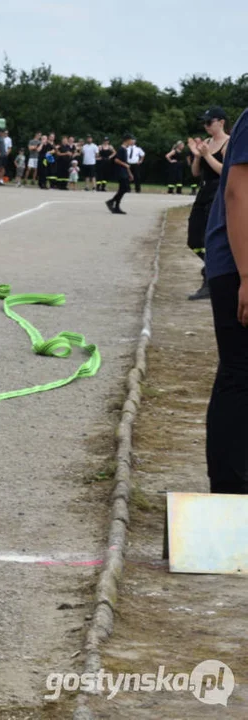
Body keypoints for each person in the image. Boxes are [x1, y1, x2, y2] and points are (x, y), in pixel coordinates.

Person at [201, 107, 248, 494]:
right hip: (238, 262)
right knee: (240, 370)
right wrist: (246, 275)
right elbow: (236, 192)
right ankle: (230, 490)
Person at [186, 107, 230, 300]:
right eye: (204, 123)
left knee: (209, 238)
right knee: (194, 239)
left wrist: (207, 155)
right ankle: (220, 267)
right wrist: (197, 155)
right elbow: (195, 173)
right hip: (203, 191)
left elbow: (225, 171)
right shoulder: (206, 143)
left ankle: (209, 282)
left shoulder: (228, 143)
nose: (206, 126)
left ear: (221, 122)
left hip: (218, 193)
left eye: (209, 122)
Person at [105, 133, 135, 215]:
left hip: (124, 171)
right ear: (127, 140)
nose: (132, 141)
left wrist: (130, 173)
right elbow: (116, 160)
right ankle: (112, 203)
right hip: (121, 172)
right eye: (131, 140)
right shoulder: (121, 149)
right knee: (124, 188)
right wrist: (125, 165)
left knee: (124, 189)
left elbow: (126, 164)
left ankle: (115, 205)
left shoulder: (125, 149)